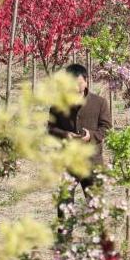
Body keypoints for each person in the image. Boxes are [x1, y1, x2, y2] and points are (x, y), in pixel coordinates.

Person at [48, 64, 111, 215]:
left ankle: (97, 236)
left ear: (86, 81)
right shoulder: (58, 104)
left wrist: (91, 136)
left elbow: (106, 128)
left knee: (95, 202)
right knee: (65, 202)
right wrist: (65, 134)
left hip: (92, 160)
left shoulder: (99, 102)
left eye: (78, 82)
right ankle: (64, 236)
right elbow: (50, 129)